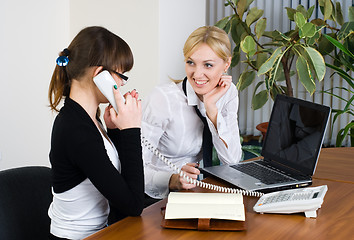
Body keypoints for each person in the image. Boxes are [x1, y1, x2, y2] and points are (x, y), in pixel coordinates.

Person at [47, 26, 144, 240]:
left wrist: (115, 131)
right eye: (121, 76)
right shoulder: (76, 129)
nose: (121, 84)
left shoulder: (88, 119)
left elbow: (116, 184)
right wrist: (131, 130)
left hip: (100, 233)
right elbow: (134, 204)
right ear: (100, 75)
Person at [142, 26, 242, 205]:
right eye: (191, 62)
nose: (197, 74)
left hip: (192, 193)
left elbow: (232, 160)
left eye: (208, 65)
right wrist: (171, 179)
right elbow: (134, 168)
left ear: (226, 64)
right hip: (153, 197)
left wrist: (212, 110)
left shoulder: (228, 93)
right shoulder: (163, 99)